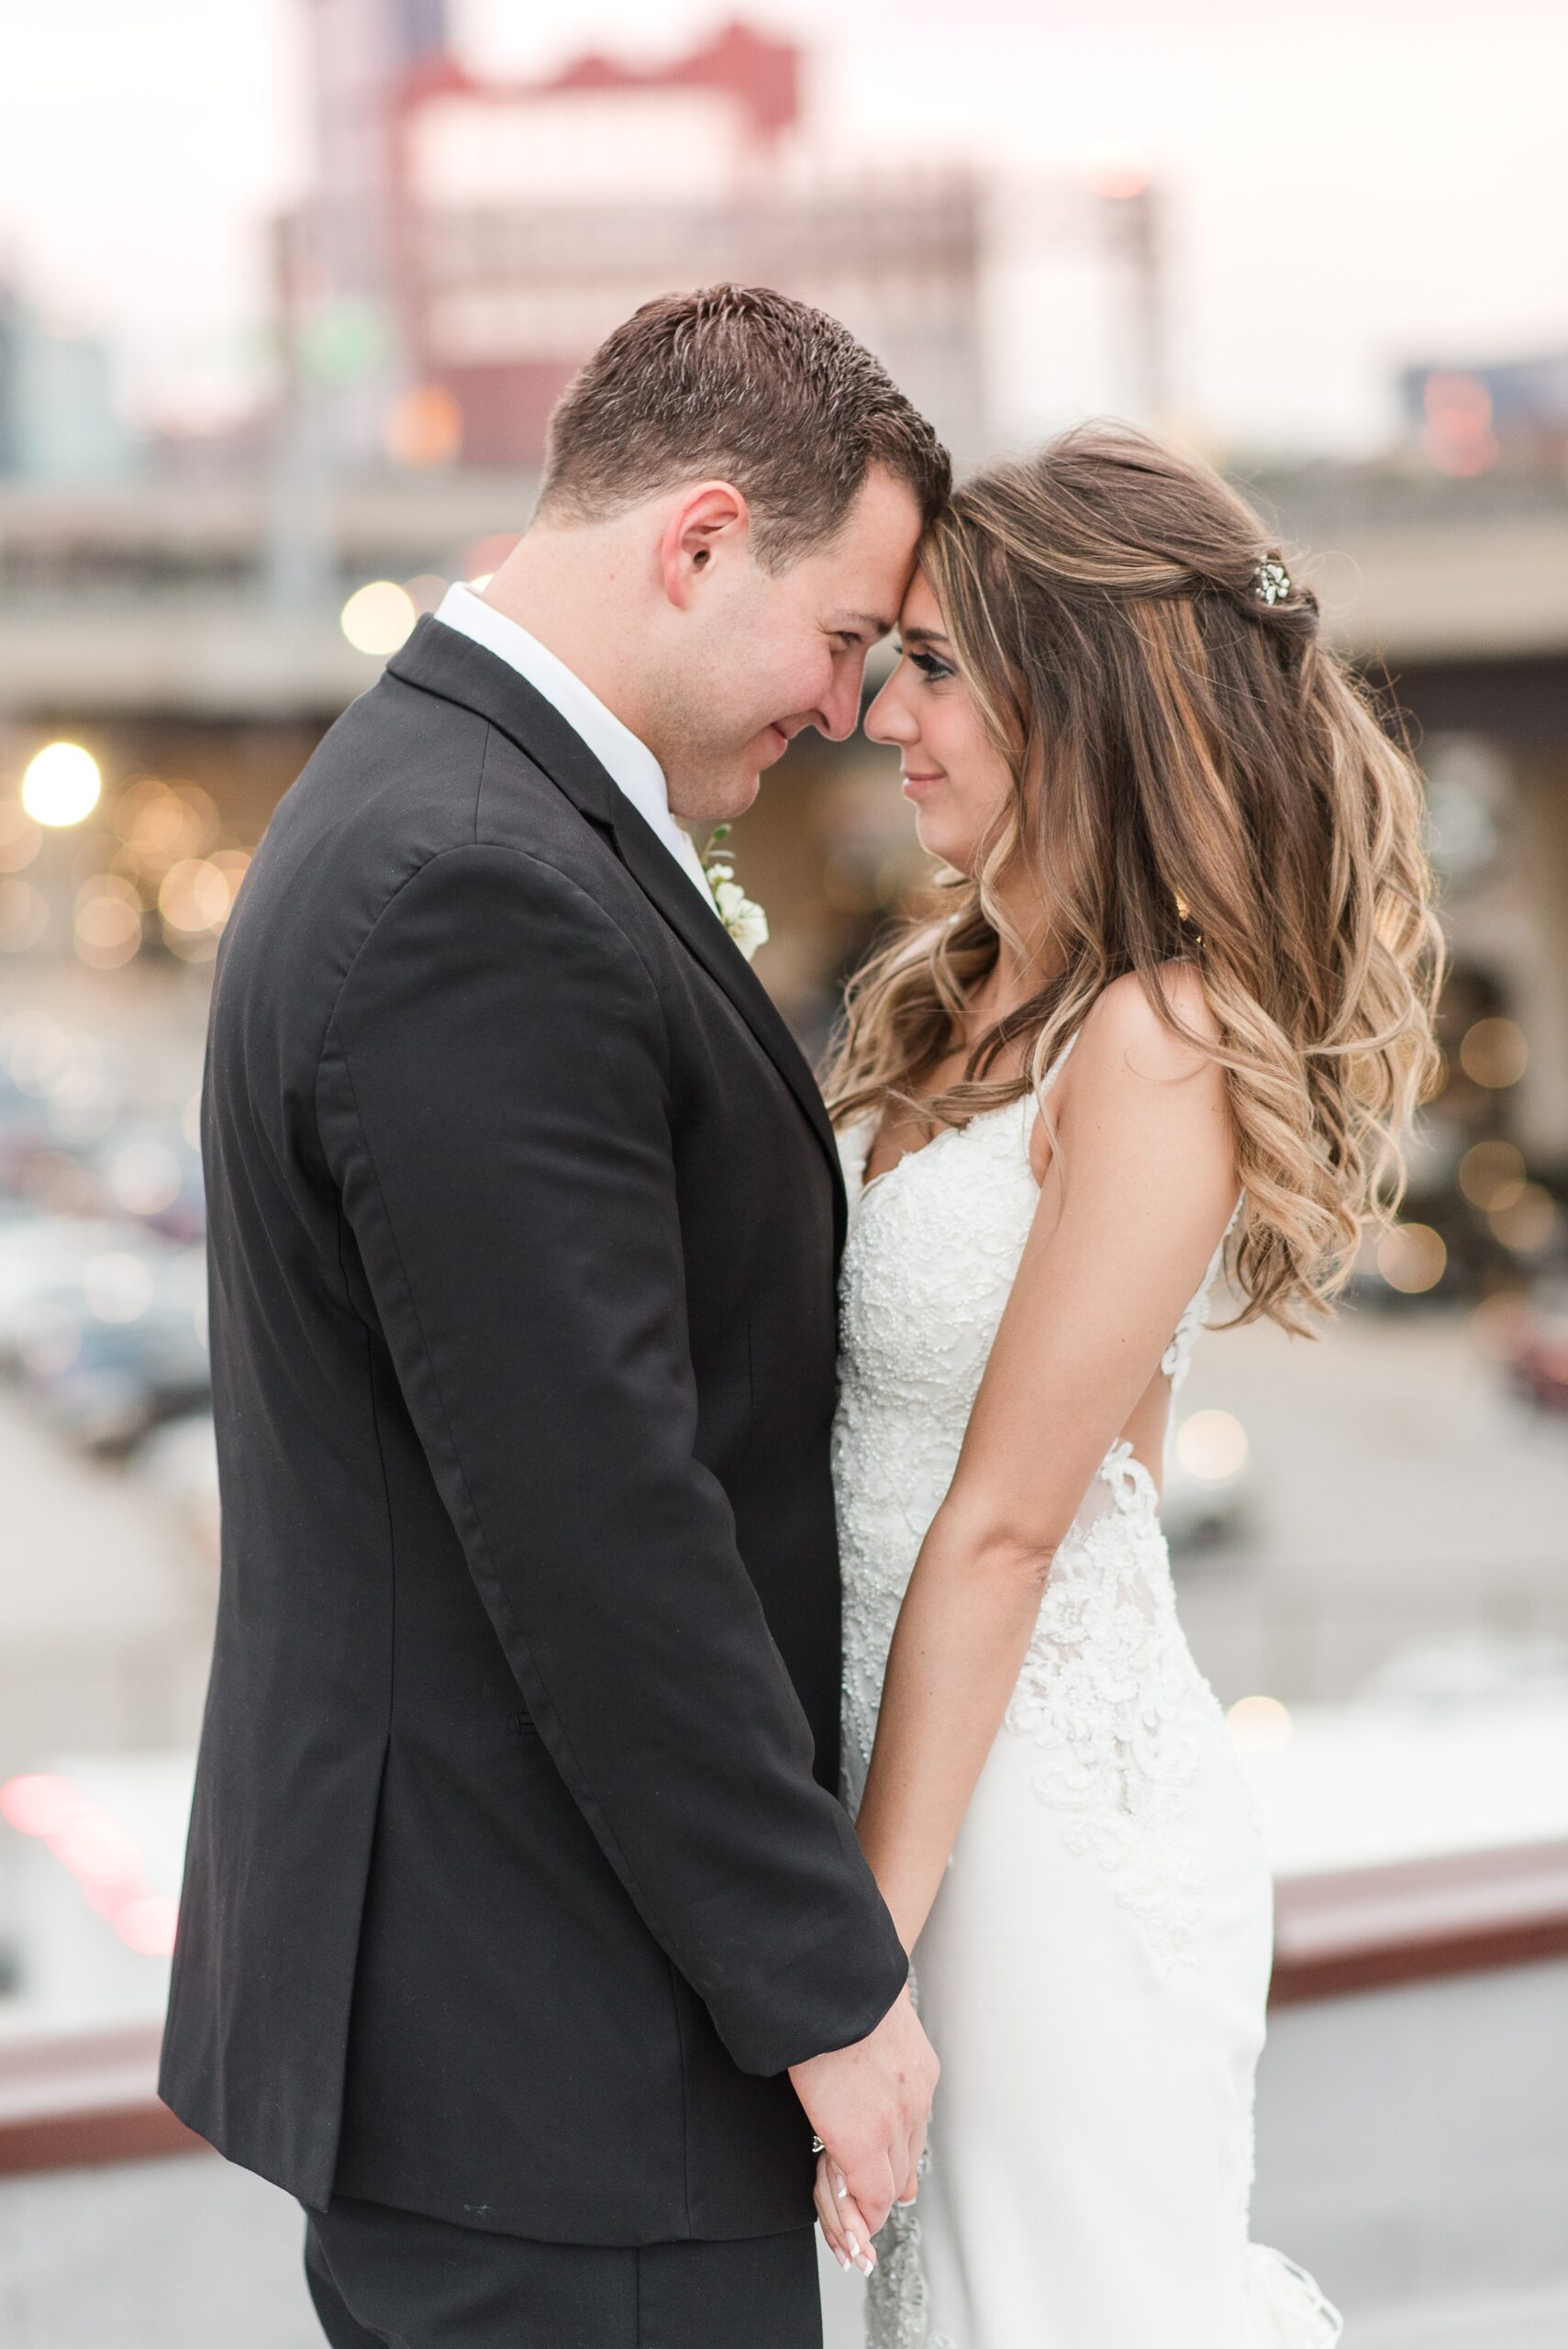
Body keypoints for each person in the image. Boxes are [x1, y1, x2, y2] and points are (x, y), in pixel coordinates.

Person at [158, 284, 948, 2349]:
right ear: (698, 539)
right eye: (848, 639)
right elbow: (598, 1519)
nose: (853, 710)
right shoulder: (473, 887)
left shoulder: (460, 806)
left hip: (532, 2043)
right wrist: (828, 1984)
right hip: (556, 2052)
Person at [814, 426, 1441, 2347]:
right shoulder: (949, 992)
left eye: (932, 665)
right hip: (895, 1784)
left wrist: (854, 1955)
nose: (881, 713)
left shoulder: (1156, 1040)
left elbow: (1013, 1525)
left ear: (1073, 687)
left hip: (1026, 1840)